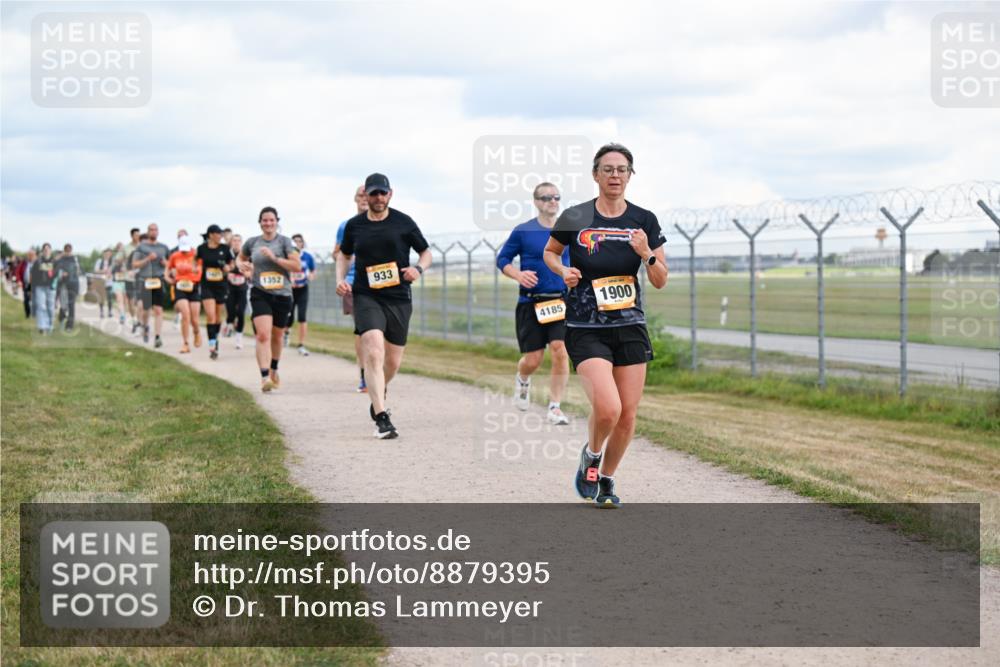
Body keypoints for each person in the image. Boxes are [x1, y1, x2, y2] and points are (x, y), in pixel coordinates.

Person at [543, 143, 668, 508]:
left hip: (629, 325)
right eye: (608, 169)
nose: (615, 175)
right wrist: (563, 270)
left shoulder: (645, 220)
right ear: (596, 175)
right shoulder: (575, 216)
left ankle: (607, 481)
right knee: (608, 409)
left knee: (627, 416)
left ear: (630, 175)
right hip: (586, 325)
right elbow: (550, 253)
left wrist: (646, 253)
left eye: (622, 169)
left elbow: (661, 279)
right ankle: (592, 457)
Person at [336, 173, 432, 439]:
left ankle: (379, 389)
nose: (378, 198)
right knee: (374, 351)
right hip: (366, 296)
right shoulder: (355, 226)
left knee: (392, 361)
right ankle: (381, 416)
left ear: (391, 194)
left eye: (383, 193)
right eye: (373, 193)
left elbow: (426, 252)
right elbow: (344, 255)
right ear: (365, 195)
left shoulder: (403, 222)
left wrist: (418, 269)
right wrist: (341, 280)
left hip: (399, 296)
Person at [497, 182, 572, 425]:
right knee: (533, 360)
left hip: (560, 301)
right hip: (531, 303)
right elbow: (503, 259)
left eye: (556, 197)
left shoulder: (567, 230)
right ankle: (522, 378)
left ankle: (555, 407)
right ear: (536, 202)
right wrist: (518, 275)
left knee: (560, 350)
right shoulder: (523, 231)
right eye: (546, 197)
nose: (552, 201)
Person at [237, 207, 299, 393]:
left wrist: (275, 258)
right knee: (262, 335)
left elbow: (297, 266)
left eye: (271, 220)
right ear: (260, 222)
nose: (268, 223)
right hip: (259, 292)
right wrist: (243, 266)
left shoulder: (285, 242)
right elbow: (240, 258)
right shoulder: (252, 242)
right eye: (265, 220)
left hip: (282, 295)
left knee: (277, 335)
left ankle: (274, 368)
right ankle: (264, 377)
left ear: (277, 222)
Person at [334, 185, 370, 392]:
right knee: (362, 330)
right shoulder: (346, 226)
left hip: (380, 282)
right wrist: (348, 257)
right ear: (355, 199)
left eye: (368, 194)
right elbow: (337, 254)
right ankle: (364, 374)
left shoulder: (385, 222)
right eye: (360, 195)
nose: (364, 198)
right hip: (354, 282)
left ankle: (376, 366)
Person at [196, 224, 234, 360]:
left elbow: (232, 264)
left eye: (221, 234)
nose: (221, 236)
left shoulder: (225, 248)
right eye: (219, 234)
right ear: (211, 235)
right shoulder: (201, 249)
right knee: (210, 315)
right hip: (207, 285)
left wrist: (228, 268)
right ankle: (212, 345)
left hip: (221, 285)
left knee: (218, 317)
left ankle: (215, 338)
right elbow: (196, 263)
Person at [132, 223, 170, 347]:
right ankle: (145, 326)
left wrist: (166, 263)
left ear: (158, 232)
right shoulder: (141, 247)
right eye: (151, 230)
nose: (153, 232)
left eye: (155, 230)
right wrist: (148, 258)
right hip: (145, 280)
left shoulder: (163, 247)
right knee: (145, 309)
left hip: (158, 280)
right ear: (148, 232)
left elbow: (171, 264)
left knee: (158, 309)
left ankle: (158, 336)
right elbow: (135, 264)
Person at [166, 235, 203, 353]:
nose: (184, 251)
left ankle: (196, 332)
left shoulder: (196, 255)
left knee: (195, 320)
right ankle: (185, 343)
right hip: (180, 286)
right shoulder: (175, 256)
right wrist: (168, 278)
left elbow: (200, 270)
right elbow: (168, 268)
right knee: (185, 315)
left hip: (193, 286)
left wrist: (196, 275)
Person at [287, 233, 316, 355]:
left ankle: (301, 344)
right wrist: (289, 279)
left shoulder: (308, 256)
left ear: (302, 243)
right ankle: (285, 332)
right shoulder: (288, 256)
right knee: (289, 317)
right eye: (295, 241)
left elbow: (313, 271)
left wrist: (310, 276)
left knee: (302, 316)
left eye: (299, 241)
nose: (297, 243)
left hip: (303, 288)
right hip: (290, 290)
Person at [225, 234, 249, 349]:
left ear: (241, 242)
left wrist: (246, 273)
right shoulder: (227, 254)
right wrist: (227, 271)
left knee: (241, 312)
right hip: (230, 287)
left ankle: (239, 337)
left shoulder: (245, 255)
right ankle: (229, 323)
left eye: (239, 241)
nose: (236, 243)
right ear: (231, 242)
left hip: (242, 287)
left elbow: (249, 268)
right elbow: (223, 268)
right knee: (230, 311)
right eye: (234, 240)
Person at [117, 228, 142, 333]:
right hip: (129, 277)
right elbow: (118, 259)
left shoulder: (143, 247)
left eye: (139, 235)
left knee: (140, 301)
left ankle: (139, 321)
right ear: (132, 236)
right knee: (131, 301)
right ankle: (134, 320)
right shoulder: (126, 248)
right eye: (136, 235)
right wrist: (122, 265)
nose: (138, 237)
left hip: (141, 277)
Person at [54, 243, 82, 331]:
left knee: (71, 305)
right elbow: (53, 265)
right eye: (66, 250)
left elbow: (78, 271)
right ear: (64, 250)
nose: (68, 252)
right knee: (63, 304)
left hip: (73, 284)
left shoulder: (75, 259)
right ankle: (61, 317)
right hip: (63, 284)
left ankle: (69, 326)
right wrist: (60, 255)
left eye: (69, 250)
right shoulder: (60, 259)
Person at [30, 244, 56, 334]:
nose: (46, 251)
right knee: (41, 306)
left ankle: (50, 325)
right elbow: (33, 275)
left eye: (48, 249)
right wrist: (32, 288)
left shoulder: (54, 261)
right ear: (42, 251)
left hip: (51, 287)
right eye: (45, 249)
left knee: (50, 307)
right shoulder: (38, 262)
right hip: (39, 287)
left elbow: (57, 274)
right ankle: (42, 326)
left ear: (51, 251)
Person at [109, 242, 129, 323]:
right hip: (117, 281)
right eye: (119, 248)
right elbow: (111, 269)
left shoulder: (128, 259)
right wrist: (109, 273)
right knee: (119, 299)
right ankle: (122, 315)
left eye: (122, 248)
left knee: (125, 300)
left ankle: (124, 313)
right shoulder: (114, 259)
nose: (120, 250)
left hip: (126, 281)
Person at [95, 248, 115, 318]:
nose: (107, 255)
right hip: (101, 281)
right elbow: (96, 271)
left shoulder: (113, 262)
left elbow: (114, 271)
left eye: (109, 254)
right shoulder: (99, 261)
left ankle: (110, 311)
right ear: (103, 254)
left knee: (109, 296)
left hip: (109, 281)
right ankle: (101, 311)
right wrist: (104, 271)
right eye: (106, 253)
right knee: (101, 297)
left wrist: (110, 273)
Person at [16, 250, 35, 318]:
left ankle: (35, 313)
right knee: (26, 300)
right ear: (27, 256)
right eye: (29, 255)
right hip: (26, 284)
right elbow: (17, 272)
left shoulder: (37, 263)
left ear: (34, 256)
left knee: (35, 299)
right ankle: (28, 314)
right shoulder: (23, 263)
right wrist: (19, 281)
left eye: (32, 255)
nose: (31, 257)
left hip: (35, 285)